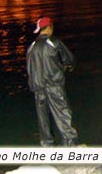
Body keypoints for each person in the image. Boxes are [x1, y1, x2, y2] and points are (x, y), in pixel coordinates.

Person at [26, 17, 79, 146]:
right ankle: (71, 146)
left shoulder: (31, 47)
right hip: (53, 86)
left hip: (38, 89)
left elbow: (29, 68)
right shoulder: (53, 42)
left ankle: (47, 148)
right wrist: (66, 67)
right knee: (63, 116)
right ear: (49, 27)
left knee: (43, 121)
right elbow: (69, 59)